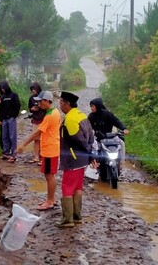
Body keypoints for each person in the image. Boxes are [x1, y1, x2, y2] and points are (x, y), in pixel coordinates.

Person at [56, 92, 95, 228]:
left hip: (73, 159)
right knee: (77, 187)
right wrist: (90, 154)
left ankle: (68, 220)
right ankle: (77, 216)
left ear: (67, 104)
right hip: (82, 160)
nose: (59, 105)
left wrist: (88, 151)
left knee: (67, 187)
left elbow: (79, 140)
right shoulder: (81, 115)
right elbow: (90, 137)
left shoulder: (70, 119)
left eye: (61, 102)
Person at [16, 90, 60, 210]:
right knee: (50, 175)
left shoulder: (50, 116)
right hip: (52, 148)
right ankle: (51, 198)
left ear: (47, 101)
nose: (38, 103)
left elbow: (37, 133)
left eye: (40, 101)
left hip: (50, 150)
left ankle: (50, 201)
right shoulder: (55, 112)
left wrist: (23, 144)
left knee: (49, 176)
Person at [88, 97, 130, 173]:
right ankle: (95, 163)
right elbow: (88, 127)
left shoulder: (107, 114)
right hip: (99, 139)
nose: (91, 108)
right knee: (93, 147)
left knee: (121, 143)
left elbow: (116, 121)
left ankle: (121, 163)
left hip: (110, 137)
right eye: (91, 106)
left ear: (98, 106)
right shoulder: (91, 117)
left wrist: (124, 129)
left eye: (93, 106)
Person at [0, 80, 21, 163]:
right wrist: (0, 119)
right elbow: (1, 109)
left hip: (11, 118)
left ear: (6, 87)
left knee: (12, 136)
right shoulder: (2, 97)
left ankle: (13, 154)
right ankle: (6, 152)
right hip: (4, 119)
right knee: (4, 136)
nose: (2, 90)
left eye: (3, 88)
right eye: (1, 88)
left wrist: (14, 115)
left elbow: (17, 106)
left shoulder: (13, 95)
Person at [27, 82, 46, 165]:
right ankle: (36, 157)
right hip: (35, 120)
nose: (33, 91)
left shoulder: (43, 97)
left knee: (43, 140)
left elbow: (46, 108)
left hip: (43, 120)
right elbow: (29, 108)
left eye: (34, 89)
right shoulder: (31, 98)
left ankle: (43, 157)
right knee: (35, 139)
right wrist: (32, 109)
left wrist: (40, 108)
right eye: (32, 89)